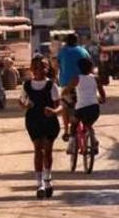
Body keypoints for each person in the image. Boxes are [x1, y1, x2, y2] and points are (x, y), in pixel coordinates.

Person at [19, 57, 62, 199]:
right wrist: (25, 105)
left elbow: (60, 105)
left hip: (50, 121)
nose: (39, 70)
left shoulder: (52, 86)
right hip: (33, 120)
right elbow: (22, 101)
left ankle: (48, 179)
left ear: (47, 69)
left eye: (42, 67)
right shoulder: (27, 85)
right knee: (38, 149)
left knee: (48, 150)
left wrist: (54, 111)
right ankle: (39, 184)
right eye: (36, 67)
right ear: (31, 69)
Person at [64, 58, 106, 154]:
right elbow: (102, 93)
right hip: (94, 108)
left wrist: (68, 100)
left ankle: (71, 144)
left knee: (74, 124)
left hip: (81, 108)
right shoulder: (95, 78)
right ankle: (94, 141)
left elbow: (65, 92)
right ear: (91, 67)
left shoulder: (76, 79)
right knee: (88, 124)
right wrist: (102, 99)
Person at [57, 33, 91, 140]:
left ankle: (66, 130)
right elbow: (89, 63)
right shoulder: (83, 50)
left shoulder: (63, 51)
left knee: (65, 107)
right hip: (82, 83)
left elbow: (57, 65)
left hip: (66, 84)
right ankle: (87, 128)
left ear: (66, 42)